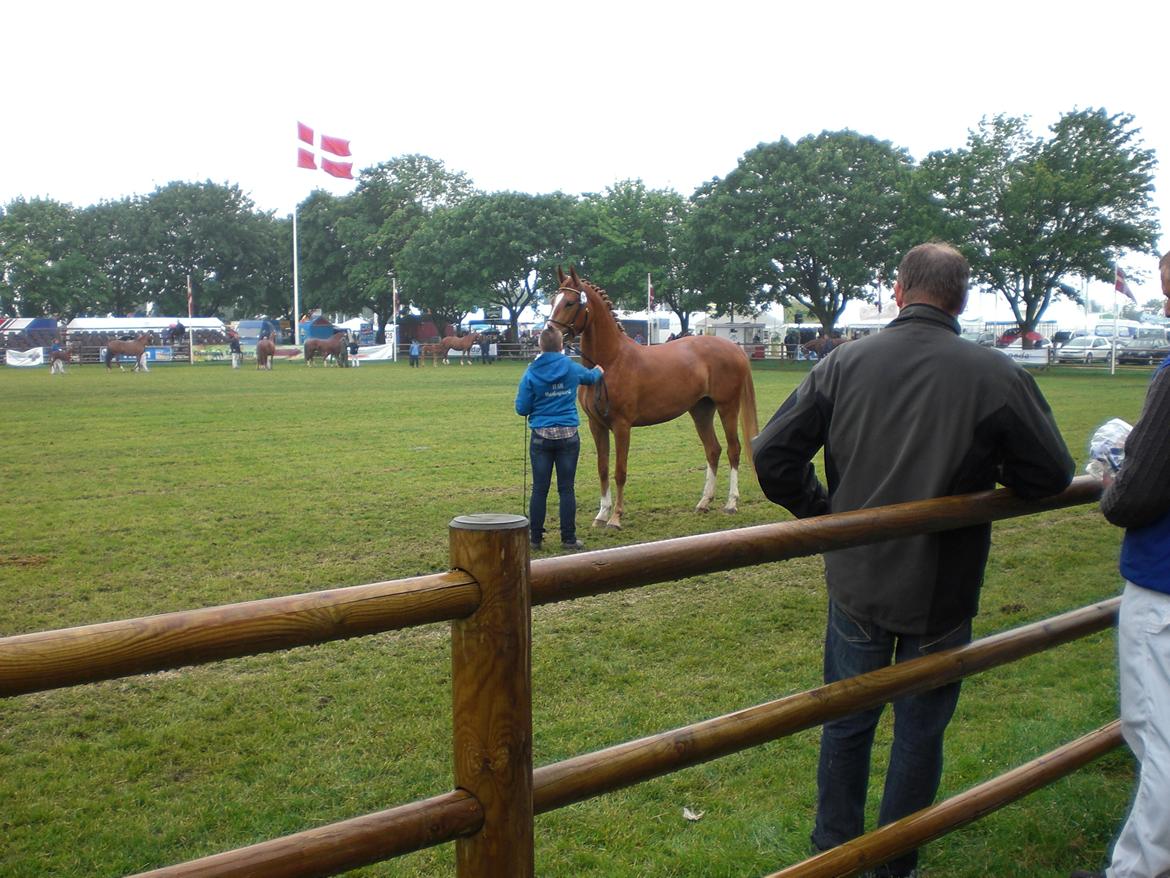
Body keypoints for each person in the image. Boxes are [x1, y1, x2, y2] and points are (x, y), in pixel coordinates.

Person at [752, 242, 1074, 878]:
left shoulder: (844, 363)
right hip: (943, 588)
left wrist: (823, 513)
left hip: (858, 578)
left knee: (847, 721)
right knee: (920, 732)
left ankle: (833, 854)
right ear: (960, 298)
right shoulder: (997, 374)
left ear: (898, 291)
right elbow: (1052, 473)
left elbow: (772, 456)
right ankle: (894, 864)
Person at [1071, 253, 1170, 878]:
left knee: (1156, 734)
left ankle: (1138, 871)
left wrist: (1114, 477)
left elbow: (1133, 497)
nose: (1164, 305)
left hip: (1163, 581)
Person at [515, 326, 604, 552]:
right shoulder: (571, 367)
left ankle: (535, 539)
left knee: (539, 489)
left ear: (540, 346)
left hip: (541, 436)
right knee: (566, 489)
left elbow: (522, 408)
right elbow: (590, 377)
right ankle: (568, 538)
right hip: (568, 435)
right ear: (561, 346)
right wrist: (599, 370)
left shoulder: (531, 372)